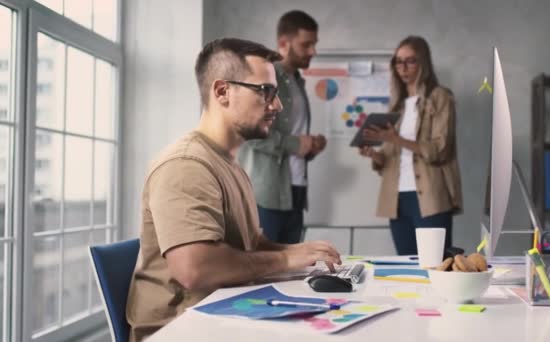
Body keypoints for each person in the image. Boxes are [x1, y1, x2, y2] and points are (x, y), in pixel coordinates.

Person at [126, 38, 341, 341]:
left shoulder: (229, 164)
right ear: (222, 92)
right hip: (180, 330)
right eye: (265, 91)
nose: (277, 105)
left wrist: (299, 252)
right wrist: (284, 260)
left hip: (223, 316)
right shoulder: (186, 164)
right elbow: (195, 269)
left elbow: (249, 242)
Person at [359, 36, 462, 256]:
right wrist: (374, 156)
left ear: (423, 63)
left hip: (429, 197)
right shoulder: (397, 105)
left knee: (435, 265)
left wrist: (396, 139)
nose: (402, 68)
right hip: (397, 199)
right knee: (406, 265)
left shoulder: (440, 97)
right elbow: (390, 158)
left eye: (410, 61)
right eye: (398, 61)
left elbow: (440, 149)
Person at [238, 10, 326, 244]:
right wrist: (297, 144)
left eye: (314, 44)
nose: (313, 51)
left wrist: (310, 146)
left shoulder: (297, 81)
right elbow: (251, 133)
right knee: (264, 268)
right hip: (267, 195)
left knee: (291, 271)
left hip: (295, 192)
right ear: (283, 44)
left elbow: (291, 135)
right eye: (306, 44)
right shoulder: (264, 79)